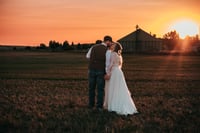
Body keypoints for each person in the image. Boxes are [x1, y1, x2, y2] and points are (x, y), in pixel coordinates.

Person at [105, 42, 138, 115]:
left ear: (115, 47)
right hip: (119, 72)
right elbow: (119, 65)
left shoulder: (113, 54)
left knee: (113, 88)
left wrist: (107, 72)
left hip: (114, 72)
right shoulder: (119, 55)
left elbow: (111, 64)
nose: (112, 45)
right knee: (120, 88)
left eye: (113, 45)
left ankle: (114, 105)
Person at [86, 36, 113, 110]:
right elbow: (107, 63)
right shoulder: (107, 50)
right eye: (110, 42)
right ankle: (99, 106)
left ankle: (91, 105)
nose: (110, 44)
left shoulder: (93, 47)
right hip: (101, 70)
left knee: (91, 88)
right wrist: (107, 73)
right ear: (107, 41)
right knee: (100, 89)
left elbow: (87, 56)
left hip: (91, 69)